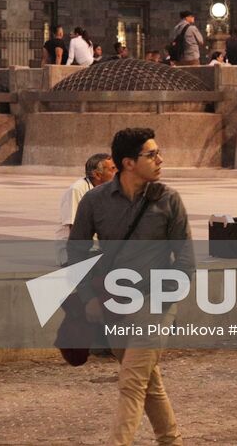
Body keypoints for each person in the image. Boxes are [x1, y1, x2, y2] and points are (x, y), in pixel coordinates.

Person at [68, 128, 195, 446]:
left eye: (158, 152)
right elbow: (76, 255)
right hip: (113, 303)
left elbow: (186, 261)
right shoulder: (94, 201)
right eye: (151, 154)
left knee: (132, 383)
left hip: (155, 302)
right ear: (128, 162)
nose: (160, 159)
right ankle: (172, 440)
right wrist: (88, 299)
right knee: (148, 381)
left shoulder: (169, 200)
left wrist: (163, 303)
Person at [57, 152, 115, 240]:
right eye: (113, 169)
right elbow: (75, 228)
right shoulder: (77, 190)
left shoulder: (112, 189)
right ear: (97, 175)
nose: (118, 172)